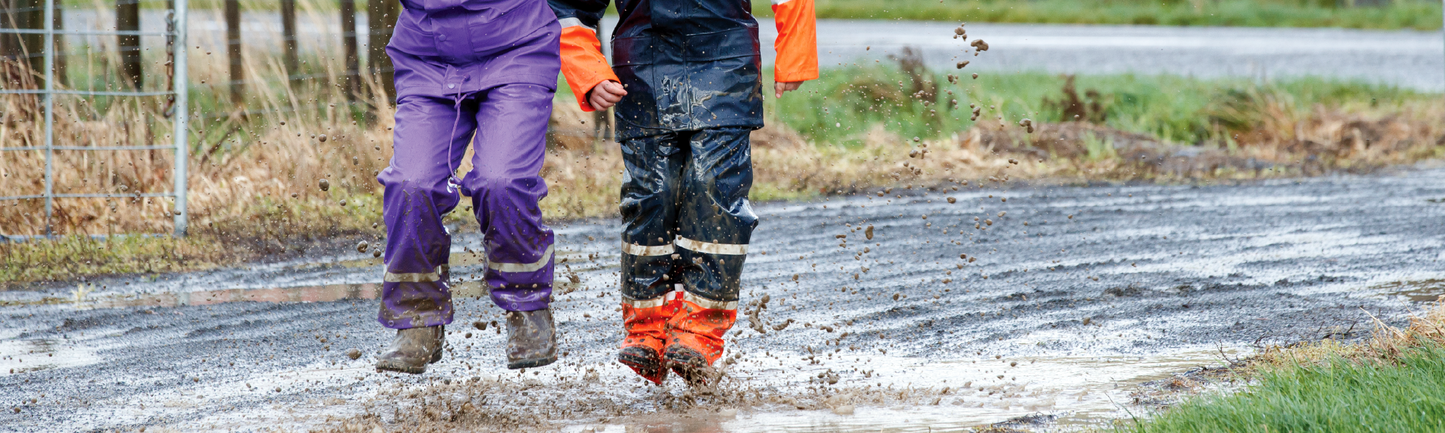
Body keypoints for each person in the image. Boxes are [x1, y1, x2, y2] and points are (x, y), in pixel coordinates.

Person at [548, 0, 818, 386]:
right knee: (650, 195)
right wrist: (586, 70)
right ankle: (647, 330)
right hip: (641, 65)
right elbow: (566, 6)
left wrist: (795, 52)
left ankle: (699, 331)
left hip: (726, 57)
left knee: (714, 190)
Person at [372, 0, 562, 374]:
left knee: (501, 182)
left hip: (517, 47)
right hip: (427, 56)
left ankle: (527, 307)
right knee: (411, 185)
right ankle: (417, 318)